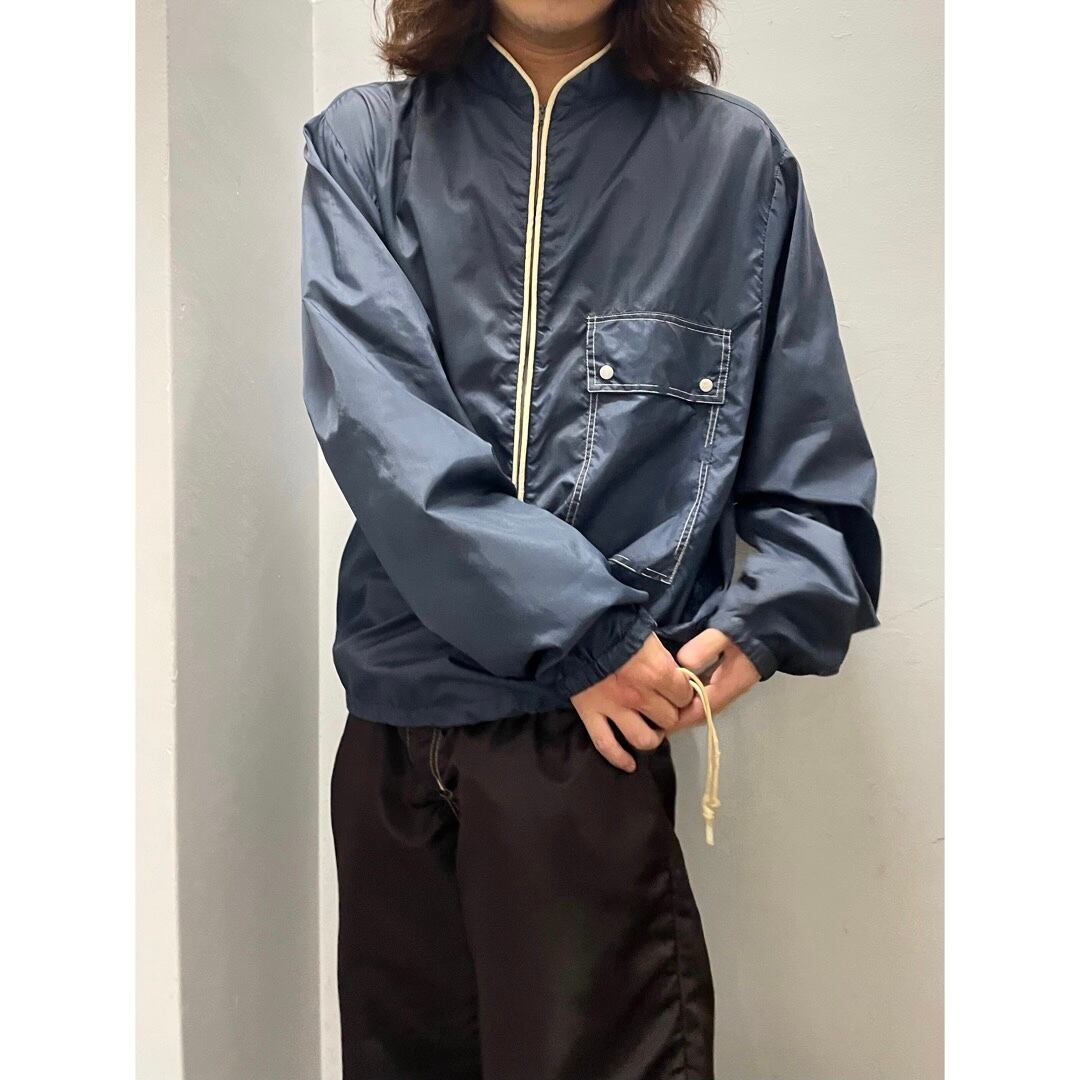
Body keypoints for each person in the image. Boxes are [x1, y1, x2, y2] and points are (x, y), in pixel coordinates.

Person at [300, 0, 881, 1075]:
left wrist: (766, 619)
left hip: (590, 746)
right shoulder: (367, 144)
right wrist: (587, 631)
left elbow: (810, 460)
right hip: (401, 732)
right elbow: (384, 433)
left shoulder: (736, 164)